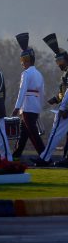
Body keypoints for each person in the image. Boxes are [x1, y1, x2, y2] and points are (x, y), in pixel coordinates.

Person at [33, 34, 68, 167]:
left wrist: (64, 108)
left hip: (66, 111)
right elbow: (62, 93)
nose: (58, 64)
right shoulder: (65, 74)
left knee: (55, 133)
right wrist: (54, 99)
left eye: (60, 61)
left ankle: (45, 158)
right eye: (57, 61)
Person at [11, 33, 46, 161]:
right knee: (23, 134)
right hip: (35, 106)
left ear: (26, 60)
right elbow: (42, 93)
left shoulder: (25, 73)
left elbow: (22, 91)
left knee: (32, 134)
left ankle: (44, 156)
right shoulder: (39, 74)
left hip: (26, 106)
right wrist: (39, 108)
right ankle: (15, 155)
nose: (22, 64)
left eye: (22, 61)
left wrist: (17, 107)